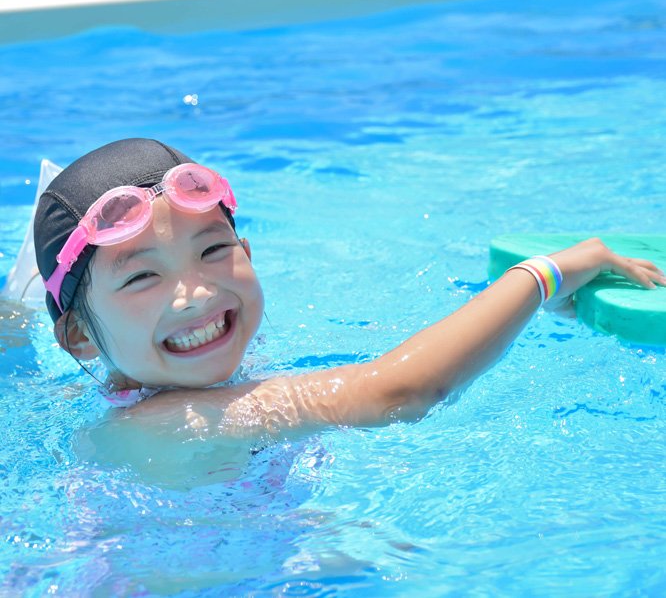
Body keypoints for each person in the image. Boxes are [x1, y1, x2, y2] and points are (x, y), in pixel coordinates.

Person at [33, 138, 666, 437]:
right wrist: (551, 272)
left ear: (247, 253)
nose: (194, 293)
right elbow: (405, 388)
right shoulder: (173, 422)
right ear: (81, 337)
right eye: (144, 275)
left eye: (213, 251)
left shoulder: (177, 374)